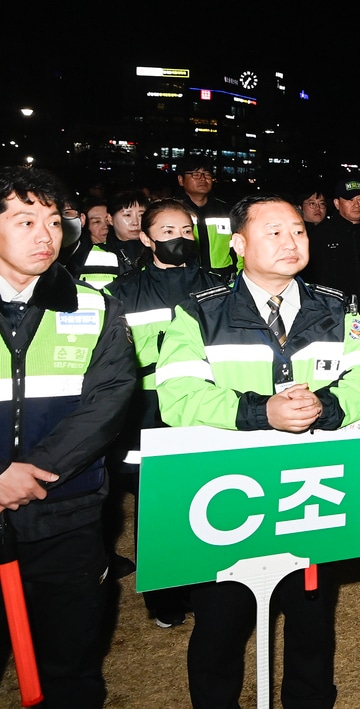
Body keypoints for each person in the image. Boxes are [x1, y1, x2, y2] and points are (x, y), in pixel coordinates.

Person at [155, 194, 360, 709]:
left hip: (310, 489)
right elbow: (178, 395)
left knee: (312, 618)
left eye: (298, 231)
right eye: (274, 231)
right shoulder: (200, 311)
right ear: (238, 244)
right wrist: (263, 413)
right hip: (228, 493)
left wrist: (324, 407)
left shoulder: (338, 305)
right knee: (221, 622)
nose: (291, 241)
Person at [0, 167, 135, 707]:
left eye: (54, 221)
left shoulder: (94, 305)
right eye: (25, 220)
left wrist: (30, 473)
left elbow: (109, 398)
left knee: (71, 664)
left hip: (66, 511)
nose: (44, 235)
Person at [107, 200, 226, 630]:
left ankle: (208, 585)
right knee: (157, 505)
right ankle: (164, 597)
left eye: (187, 230)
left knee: (211, 495)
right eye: (168, 230)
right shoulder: (123, 292)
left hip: (207, 408)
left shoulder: (220, 286)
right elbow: (114, 360)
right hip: (148, 414)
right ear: (146, 237)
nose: (179, 238)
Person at [306, 177, 360, 300]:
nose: (356, 205)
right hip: (332, 309)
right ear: (337, 203)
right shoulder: (321, 235)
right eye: (350, 199)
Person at [176, 157, 236, 280]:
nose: (203, 178)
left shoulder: (227, 210)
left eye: (206, 174)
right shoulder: (172, 211)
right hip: (186, 279)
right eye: (196, 174)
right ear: (181, 180)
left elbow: (240, 245)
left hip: (224, 280)